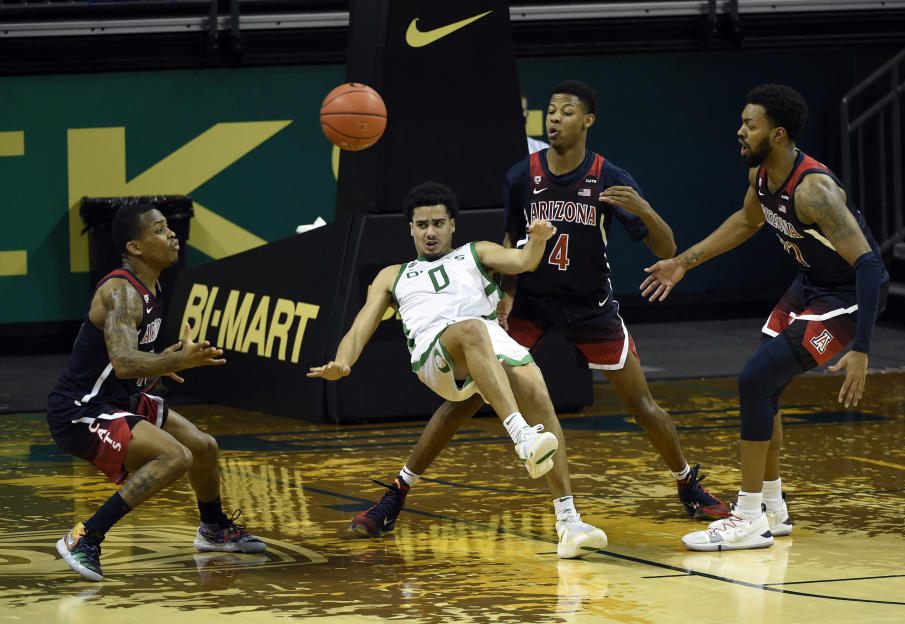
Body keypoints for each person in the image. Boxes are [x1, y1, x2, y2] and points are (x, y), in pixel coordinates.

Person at [349, 80, 730, 546]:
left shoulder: (610, 176)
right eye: (550, 111)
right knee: (463, 400)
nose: (554, 119)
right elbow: (511, 241)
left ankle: (687, 483)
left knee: (641, 404)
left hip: (591, 306)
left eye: (565, 112)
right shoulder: (520, 176)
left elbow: (666, 247)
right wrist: (507, 294)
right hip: (531, 303)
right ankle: (397, 494)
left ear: (587, 121)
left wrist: (646, 210)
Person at [640, 84, 888, 551]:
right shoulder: (760, 174)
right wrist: (682, 263)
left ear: (777, 135)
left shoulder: (814, 191)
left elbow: (871, 265)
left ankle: (748, 516)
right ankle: (773, 506)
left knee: (754, 379)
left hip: (850, 295)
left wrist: (862, 348)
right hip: (811, 284)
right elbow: (746, 222)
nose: (739, 131)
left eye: (749, 124)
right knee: (763, 382)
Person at [308, 181, 608, 558]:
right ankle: (521, 436)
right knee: (471, 331)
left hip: (488, 345)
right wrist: (342, 363)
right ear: (411, 229)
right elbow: (359, 327)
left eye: (437, 223)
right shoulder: (393, 275)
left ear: (452, 225)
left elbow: (523, 262)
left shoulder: (476, 252)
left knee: (537, 393)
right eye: (421, 225)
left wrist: (539, 240)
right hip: (436, 356)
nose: (430, 232)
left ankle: (568, 520)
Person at [47, 203, 266, 581]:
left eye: (169, 228)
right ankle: (85, 537)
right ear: (135, 246)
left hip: (120, 400)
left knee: (204, 447)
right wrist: (177, 362)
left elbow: (128, 363)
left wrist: (159, 362)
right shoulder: (122, 292)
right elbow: (123, 364)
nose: (172, 235)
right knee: (174, 456)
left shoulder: (151, 286)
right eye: (161, 229)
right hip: (81, 410)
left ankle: (214, 529)